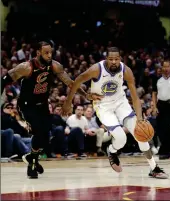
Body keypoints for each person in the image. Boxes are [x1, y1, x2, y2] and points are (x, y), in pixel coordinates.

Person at [62, 47, 168, 179]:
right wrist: (70, 101)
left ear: (120, 59)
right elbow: (77, 81)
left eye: (116, 59)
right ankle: (111, 151)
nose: (113, 62)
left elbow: (135, 97)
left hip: (121, 103)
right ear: (106, 59)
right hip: (103, 106)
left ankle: (153, 168)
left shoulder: (126, 70)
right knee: (121, 139)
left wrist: (140, 118)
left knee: (140, 134)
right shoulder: (96, 69)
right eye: (110, 59)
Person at [1, 41, 102, 179]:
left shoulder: (54, 65)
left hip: (42, 103)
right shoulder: (26, 67)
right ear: (38, 53)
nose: (49, 55)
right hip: (27, 104)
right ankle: (32, 164)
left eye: (50, 52)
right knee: (38, 130)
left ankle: (32, 157)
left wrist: (86, 95)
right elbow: (3, 81)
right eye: (46, 53)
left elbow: (70, 83)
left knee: (46, 134)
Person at [152, 61, 170, 159]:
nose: (166, 68)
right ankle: (164, 148)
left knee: (169, 128)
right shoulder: (157, 80)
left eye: (168, 66)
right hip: (161, 105)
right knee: (160, 129)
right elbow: (154, 93)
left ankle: (167, 150)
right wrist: (154, 106)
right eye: (164, 66)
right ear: (161, 68)